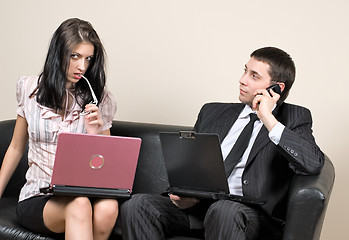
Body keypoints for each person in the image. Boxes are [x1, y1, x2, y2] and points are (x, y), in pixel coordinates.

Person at [120, 47, 324, 239]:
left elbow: (312, 163)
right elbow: (191, 166)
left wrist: (268, 119)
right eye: (245, 71)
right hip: (201, 208)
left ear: (276, 88)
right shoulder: (212, 112)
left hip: (250, 216)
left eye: (254, 76)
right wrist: (186, 194)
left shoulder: (294, 117)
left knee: (224, 210)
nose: (242, 80)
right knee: (138, 204)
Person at [0, 18, 118, 240]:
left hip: (84, 191)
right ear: (58, 53)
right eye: (75, 56)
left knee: (108, 207)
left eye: (88, 59)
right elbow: (16, 148)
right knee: (79, 205)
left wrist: (95, 132)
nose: (82, 66)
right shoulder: (29, 89)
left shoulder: (99, 99)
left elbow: (106, 169)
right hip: (40, 195)